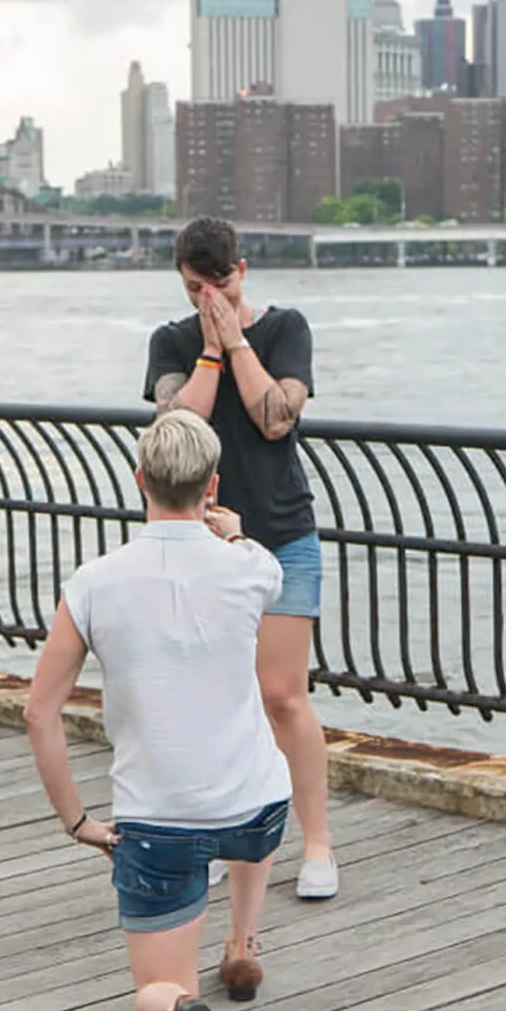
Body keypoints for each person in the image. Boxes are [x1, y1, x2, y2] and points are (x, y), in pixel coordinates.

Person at [24, 410, 292, 1011]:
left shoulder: (94, 582)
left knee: (155, 996)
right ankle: (242, 941)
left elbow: (40, 713)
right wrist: (234, 534)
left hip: (158, 822)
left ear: (140, 479)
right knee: (250, 776)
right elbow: (249, 566)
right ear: (213, 485)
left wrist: (77, 821)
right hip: (257, 811)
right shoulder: (251, 567)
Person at [142, 216, 337, 901]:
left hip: (282, 533)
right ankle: (230, 834)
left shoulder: (286, 331)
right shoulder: (171, 342)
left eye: (220, 283)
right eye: (197, 287)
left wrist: (238, 340)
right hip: (202, 544)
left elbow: (275, 417)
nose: (210, 298)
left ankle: (316, 844)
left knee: (282, 695)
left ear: (242, 271)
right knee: (217, 697)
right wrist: (210, 352)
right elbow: (177, 429)